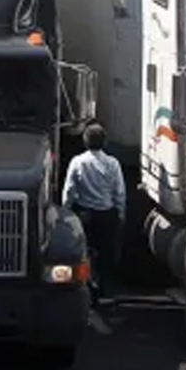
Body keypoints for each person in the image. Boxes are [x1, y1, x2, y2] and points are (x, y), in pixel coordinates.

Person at [61, 122, 127, 305]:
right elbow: (119, 192)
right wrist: (121, 213)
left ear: (85, 141)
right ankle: (106, 291)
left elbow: (70, 190)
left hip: (85, 215)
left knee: (85, 253)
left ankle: (86, 287)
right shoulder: (113, 164)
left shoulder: (78, 162)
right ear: (104, 142)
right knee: (106, 254)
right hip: (107, 214)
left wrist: (65, 213)